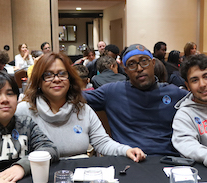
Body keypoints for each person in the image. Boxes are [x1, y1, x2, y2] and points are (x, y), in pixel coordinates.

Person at [16, 52, 146, 161]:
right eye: (48, 75)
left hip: (80, 177)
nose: (56, 79)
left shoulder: (82, 109)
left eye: (62, 74)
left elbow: (102, 142)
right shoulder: (24, 111)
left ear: (70, 79)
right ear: (39, 81)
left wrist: (127, 150)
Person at [84, 43, 188, 156]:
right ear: (126, 70)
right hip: (127, 159)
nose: (139, 68)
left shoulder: (174, 93)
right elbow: (75, 97)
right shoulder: (113, 91)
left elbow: (203, 101)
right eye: (132, 64)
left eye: (144, 61)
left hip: (167, 160)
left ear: (153, 63)